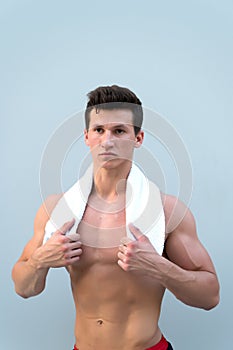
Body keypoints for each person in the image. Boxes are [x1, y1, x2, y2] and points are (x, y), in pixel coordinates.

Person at [12, 85, 220, 350]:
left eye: (119, 131)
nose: (107, 141)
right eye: (99, 130)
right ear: (86, 137)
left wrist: (160, 266)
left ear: (138, 138)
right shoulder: (58, 209)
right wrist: (40, 261)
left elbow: (210, 296)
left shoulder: (166, 211)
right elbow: (23, 287)